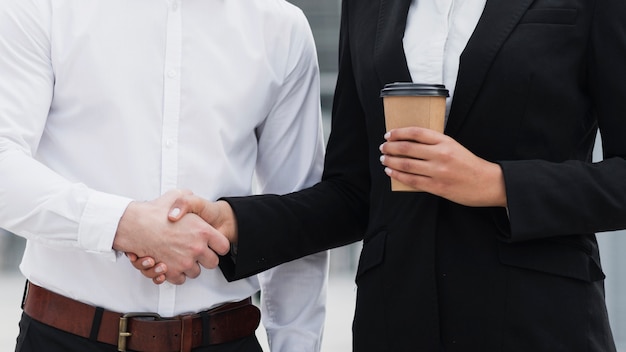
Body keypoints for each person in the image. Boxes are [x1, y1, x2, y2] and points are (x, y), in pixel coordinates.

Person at [134, 0, 626, 350]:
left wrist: (496, 184)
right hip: (395, 322)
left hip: (540, 322)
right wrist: (234, 222)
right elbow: (353, 193)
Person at [0, 0, 329, 351]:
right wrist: (123, 224)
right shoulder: (40, 7)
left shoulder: (280, 26)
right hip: (64, 337)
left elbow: (296, 217)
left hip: (225, 337)